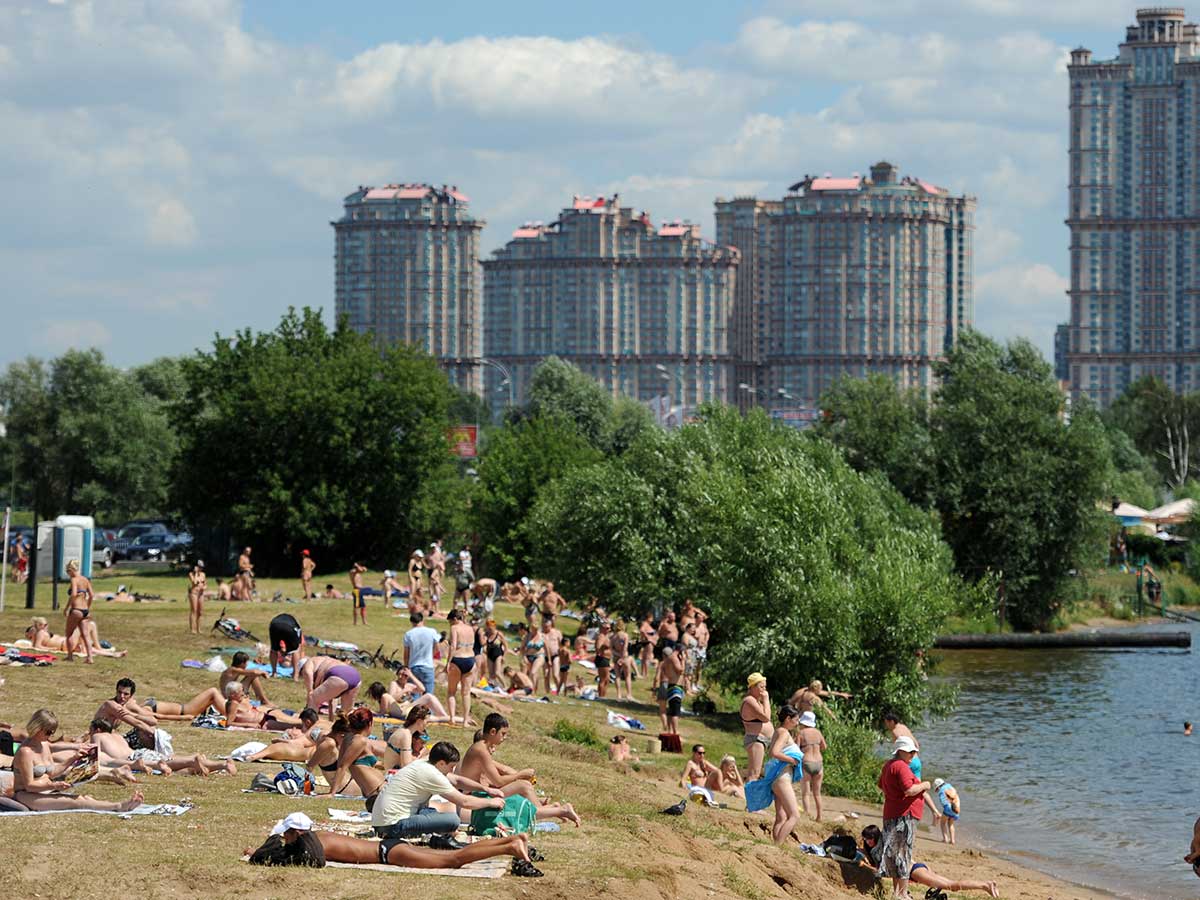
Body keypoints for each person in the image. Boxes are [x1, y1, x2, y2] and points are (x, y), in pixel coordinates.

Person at [457, 713, 582, 826]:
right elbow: (498, 781)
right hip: (475, 798)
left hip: (479, 795)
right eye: (503, 734)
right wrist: (521, 774)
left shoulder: (481, 748)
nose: (504, 738)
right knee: (523, 786)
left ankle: (552, 810)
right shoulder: (481, 750)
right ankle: (560, 810)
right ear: (493, 732)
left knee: (523, 787)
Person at [372, 740, 503, 843]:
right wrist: (491, 802)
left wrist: (485, 789)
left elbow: (456, 780)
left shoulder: (424, 764)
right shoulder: (432, 774)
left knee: (431, 812)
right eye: (451, 767)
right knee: (452, 820)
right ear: (441, 763)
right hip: (392, 827)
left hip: (383, 822)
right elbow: (464, 801)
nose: (451, 771)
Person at [12, 709, 143, 812]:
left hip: (48, 790)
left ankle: (119, 805)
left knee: (84, 798)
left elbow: (52, 773)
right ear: (37, 728)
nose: (51, 735)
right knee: (77, 802)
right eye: (48, 732)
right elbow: (29, 785)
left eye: (53, 732)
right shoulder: (25, 752)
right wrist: (54, 785)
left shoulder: (44, 744)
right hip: (27, 796)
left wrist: (73, 758)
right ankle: (119, 806)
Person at [860, 825, 999, 898]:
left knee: (952, 886)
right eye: (865, 839)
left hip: (914, 871)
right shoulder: (876, 849)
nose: (867, 841)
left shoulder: (882, 849)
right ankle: (985, 885)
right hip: (916, 868)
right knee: (951, 884)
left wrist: (864, 865)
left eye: (869, 838)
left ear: (876, 836)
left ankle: (984, 885)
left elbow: (884, 871)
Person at [877, 735, 932, 900]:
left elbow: (881, 785)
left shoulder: (889, 765)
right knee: (904, 854)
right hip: (903, 815)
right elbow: (909, 790)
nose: (913, 755)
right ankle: (902, 894)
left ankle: (897, 892)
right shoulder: (901, 766)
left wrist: (893, 795)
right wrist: (925, 785)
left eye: (914, 752)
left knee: (896, 854)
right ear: (900, 751)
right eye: (910, 752)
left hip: (892, 812)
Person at [247, 812, 327, 867]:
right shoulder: (312, 843)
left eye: (285, 833)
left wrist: (256, 853)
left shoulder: (302, 854)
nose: (284, 836)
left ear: (296, 833)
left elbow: (260, 858)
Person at [25, 616, 126, 658]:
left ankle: (113, 654)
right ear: (39, 626)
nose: (47, 627)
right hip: (64, 645)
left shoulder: (42, 633)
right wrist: (51, 648)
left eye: (47, 624)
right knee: (85, 626)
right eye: (44, 625)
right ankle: (98, 647)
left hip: (67, 644)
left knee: (90, 643)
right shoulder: (40, 633)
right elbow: (37, 647)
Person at [445, 609, 476, 726]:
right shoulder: (470, 628)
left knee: (451, 692)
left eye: (450, 622)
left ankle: (452, 718)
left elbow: (453, 645)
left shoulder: (454, 628)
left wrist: (448, 662)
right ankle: (465, 720)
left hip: (457, 659)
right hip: (470, 659)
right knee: (466, 693)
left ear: (455, 619)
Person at [741, 672, 772, 781]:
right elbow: (766, 717)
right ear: (752, 687)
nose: (764, 690)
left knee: (758, 772)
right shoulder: (749, 700)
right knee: (754, 773)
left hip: (763, 739)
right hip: (756, 739)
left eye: (765, 687)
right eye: (761, 687)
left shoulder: (756, 701)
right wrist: (766, 699)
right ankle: (750, 797)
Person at [797, 710, 827, 821]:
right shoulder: (818, 732)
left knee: (805, 793)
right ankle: (819, 816)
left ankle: (807, 816)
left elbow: (796, 749)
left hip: (807, 762)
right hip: (819, 763)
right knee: (817, 793)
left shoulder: (801, 733)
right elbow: (824, 746)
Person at [63, 559, 94, 664]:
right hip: (85, 610)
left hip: (76, 610)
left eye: (68, 572)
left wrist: (66, 608)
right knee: (85, 635)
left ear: (71, 570)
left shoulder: (74, 579)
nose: (68, 574)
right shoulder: (85, 579)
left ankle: (70, 656)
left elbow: (73, 594)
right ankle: (90, 657)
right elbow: (92, 595)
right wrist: (88, 607)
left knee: (69, 633)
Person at [404, 610, 440, 696]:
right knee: (429, 696)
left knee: (414, 694)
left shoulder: (408, 634)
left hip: (414, 666)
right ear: (422, 620)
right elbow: (437, 648)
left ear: (412, 622)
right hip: (428, 666)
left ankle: (414, 709)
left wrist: (406, 667)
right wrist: (431, 655)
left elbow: (406, 654)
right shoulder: (432, 631)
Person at [654, 644, 686, 735]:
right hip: (675, 686)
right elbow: (680, 670)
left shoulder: (667, 659)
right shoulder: (674, 658)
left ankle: (670, 730)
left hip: (671, 685)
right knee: (675, 711)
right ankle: (675, 731)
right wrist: (683, 660)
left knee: (671, 710)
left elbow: (664, 670)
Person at [882, 710, 922, 779]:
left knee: (906, 786)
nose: (886, 726)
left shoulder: (894, 732)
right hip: (916, 761)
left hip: (908, 763)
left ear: (892, 722)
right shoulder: (904, 727)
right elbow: (917, 744)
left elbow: (898, 751)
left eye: (887, 723)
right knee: (918, 785)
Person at [268, 612, 303, 679]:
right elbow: (299, 646)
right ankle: (295, 674)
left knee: (273, 650)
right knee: (295, 650)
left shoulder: (281, 619)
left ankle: (274, 673)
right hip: (289, 627)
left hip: (274, 625)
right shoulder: (297, 626)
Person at [932, 777, 960, 844]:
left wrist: (944, 810)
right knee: (951, 824)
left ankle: (945, 839)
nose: (937, 791)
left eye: (936, 790)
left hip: (948, 808)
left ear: (938, 787)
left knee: (942, 823)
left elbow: (944, 802)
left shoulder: (942, 790)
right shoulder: (950, 786)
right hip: (956, 809)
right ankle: (952, 840)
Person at [593, 620, 613, 698]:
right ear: (602, 628)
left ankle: (602, 696)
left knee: (607, 680)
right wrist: (604, 646)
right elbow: (598, 648)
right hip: (602, 659)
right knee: (603, 679)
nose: (608, 630)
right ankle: (600, 696)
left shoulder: (606, 636)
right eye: (607, 628)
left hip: (606, 659)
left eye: (609, 628)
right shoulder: (601, 636)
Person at [187, 560, 207, 635]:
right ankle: (193, 629)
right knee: (194, 610)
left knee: (200, 612)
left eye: (202, 567)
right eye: (199, 567)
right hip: (194, 593)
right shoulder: (191, 574)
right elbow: (194, 582)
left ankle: (199, 629)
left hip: (201, 594)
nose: (201, 569)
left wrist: (204, 587)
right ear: (196, 567)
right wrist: (195, 573)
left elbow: (205, 584)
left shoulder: (203, 574)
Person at [637, 612, 657, 679]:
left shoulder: (647, 625)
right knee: (647, 658)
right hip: (648, 642)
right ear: (648, 618)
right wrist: (648, 638)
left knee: (644, 658)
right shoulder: (645, 624)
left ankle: (643, 673)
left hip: (648, 642)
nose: (652, 620)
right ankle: (646, 673)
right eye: (651, 618)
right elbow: (642, 630)